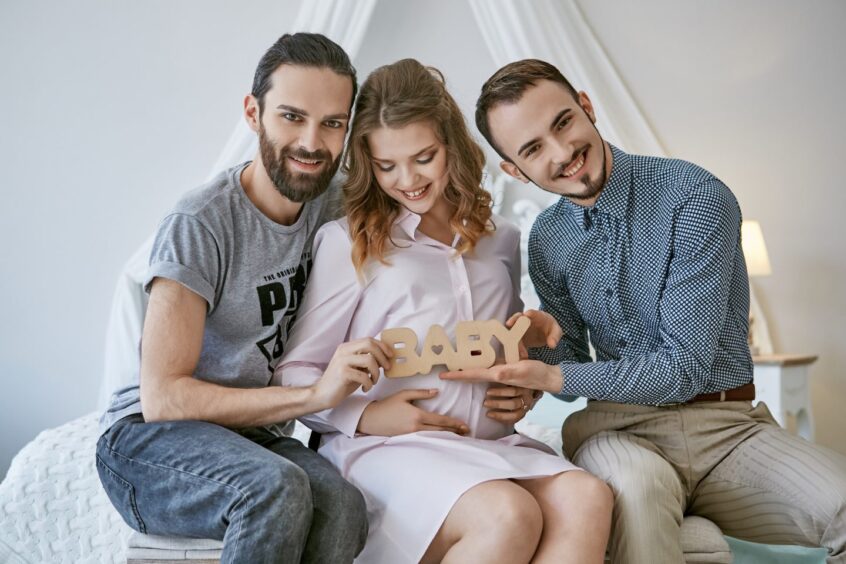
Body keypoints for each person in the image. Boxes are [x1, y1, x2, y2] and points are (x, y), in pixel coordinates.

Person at [442, 57, 846, 563]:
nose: (563, 152)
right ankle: (679, 525)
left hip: (727, 430)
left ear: (586, 107)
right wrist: (548, 341)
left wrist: (552, 377)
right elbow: (568, 368)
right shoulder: (546, 239)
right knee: (635, 489)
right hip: (618, 432)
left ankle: (688, 525)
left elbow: (683, 368)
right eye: (533, 149)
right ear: (514, 170)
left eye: (563, 122)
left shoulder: (694, 196)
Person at [276, 58, 613, 564]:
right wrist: (368, 415)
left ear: (451, 146)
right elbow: (294, 376)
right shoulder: (349, 242)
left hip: (491, 449)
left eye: (423, 157)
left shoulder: (502, 239)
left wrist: (522, 371)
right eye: (387, 166)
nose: (407, 179)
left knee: (588, 497)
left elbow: (495, 352)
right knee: (506, 513)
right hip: (387, 454)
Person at [95, 33, 383, 564]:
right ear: (253, 113)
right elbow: (165, 399)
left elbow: (426, 214)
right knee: (274, 488)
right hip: (147, 442)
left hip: (253, 437)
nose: (312, 143)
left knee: (343, 505)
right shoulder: (199, 223)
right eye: (292, 117)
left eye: (332, 124)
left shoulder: (337, 202)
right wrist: (315, 396)